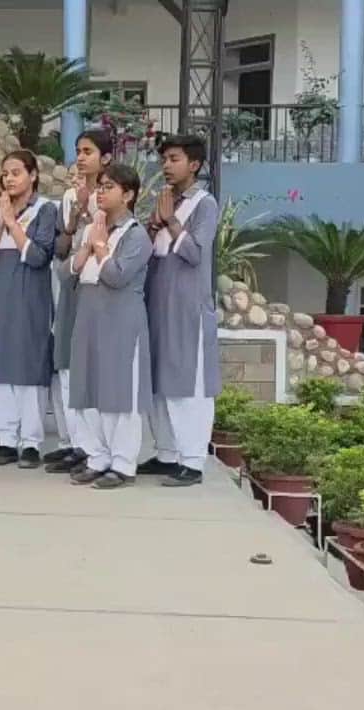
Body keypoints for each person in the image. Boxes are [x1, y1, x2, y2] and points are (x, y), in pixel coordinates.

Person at [139, 134, 221, 487]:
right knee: (160, 381)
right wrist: (153, 225)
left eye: (174, 159)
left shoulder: (204, 204)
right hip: (157, 304)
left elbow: (195, 253)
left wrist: (171, 221)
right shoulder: (165, 201)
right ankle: (167, 453)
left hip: (187, 307)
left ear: (194, 164)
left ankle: (192, 461)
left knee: (189, 383)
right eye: (164, 159)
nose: (166, 166)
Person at [66, 164, 153, 489]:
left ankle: (123, 462)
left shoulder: (137, 236)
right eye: (100, 186)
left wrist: (100, 247)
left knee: (120, 393)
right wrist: (90, 244)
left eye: (109, 187)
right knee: (90, 387)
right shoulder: (94, 229)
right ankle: (97, 456)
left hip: (121, 320)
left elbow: (117, 276)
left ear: (128, 195)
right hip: (89, 315)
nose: (100, 191)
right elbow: (66, 273)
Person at [0, 150, 59, 468]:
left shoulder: (45, 210)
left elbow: (39, 256)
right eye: (6, 174)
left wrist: (13, 222)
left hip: (29, 295)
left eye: (16, 172)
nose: (9, 179)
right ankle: (5, 439)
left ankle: (30, 442)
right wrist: (1, 221)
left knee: (28, 366)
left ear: (33, 175)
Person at [45, 130, 111, 475]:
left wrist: (91, 210)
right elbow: (59, 248)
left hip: (99, 289)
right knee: (66, 366)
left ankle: (92, 447)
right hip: (69, 284)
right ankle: (72, 441)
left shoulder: (111, 195)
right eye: (78, 151)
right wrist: (73, 219)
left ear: (106, 158)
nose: (81, 157)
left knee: (88, 368)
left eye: (88, 151)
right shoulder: (69, 196)